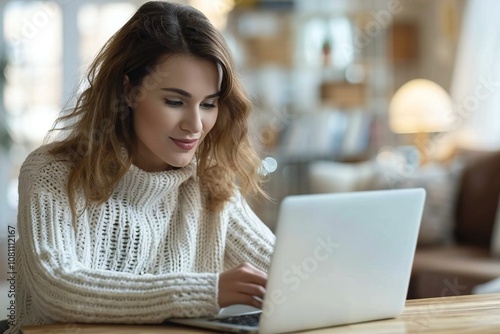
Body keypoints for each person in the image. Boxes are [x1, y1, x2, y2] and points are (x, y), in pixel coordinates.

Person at [4, 1, 275, 333]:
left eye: (208, 104)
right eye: (175, 102)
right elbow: (58, 288)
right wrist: (207, 290)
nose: (195, 124)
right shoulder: (52, 172)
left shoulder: (210, 183)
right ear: (129, 91)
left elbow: (286, 269)